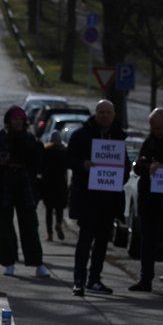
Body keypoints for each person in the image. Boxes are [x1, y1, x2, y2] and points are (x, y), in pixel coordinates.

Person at [0, 106, 49, 278]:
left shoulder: (30, 139)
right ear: (8, 121)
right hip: (3, 187)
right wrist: (0, 163)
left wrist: (33, 174)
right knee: (5, 228)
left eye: (20, 119)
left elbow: (38, 163)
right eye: (15, 119)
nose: (18, 122)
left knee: (30, 226)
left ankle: (37, 263)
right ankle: (9, 262)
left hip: (25, 186)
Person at [67, 99, 128, 296]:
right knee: (85, 240)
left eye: (108, 112)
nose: (104, 115)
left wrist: (120, 175)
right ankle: (79, 280)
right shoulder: (81, 135)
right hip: (87, 198)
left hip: (108, 200)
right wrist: (83, 165)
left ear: (114, 115)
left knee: (102, 242)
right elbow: (68, 159)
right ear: (95, 113)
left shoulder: (119, 136)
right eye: (101, 111)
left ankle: (95, 279)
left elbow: (125, 166)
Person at [129, 107, 163, 292]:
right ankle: (145, 279)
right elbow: (137, 165)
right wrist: (148, 166)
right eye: (153, 128)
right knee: (147, 240)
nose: (156, 132)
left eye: (159, 128)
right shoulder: (149, 141)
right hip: (149, 199)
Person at [39, 131, 68, 241]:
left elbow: (41, 166)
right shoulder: (64, 152)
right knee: (59, 208)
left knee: (49, 210)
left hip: (48, 183)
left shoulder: (46, 151)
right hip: (60, 182)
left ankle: (49, 234)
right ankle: (59, 223)